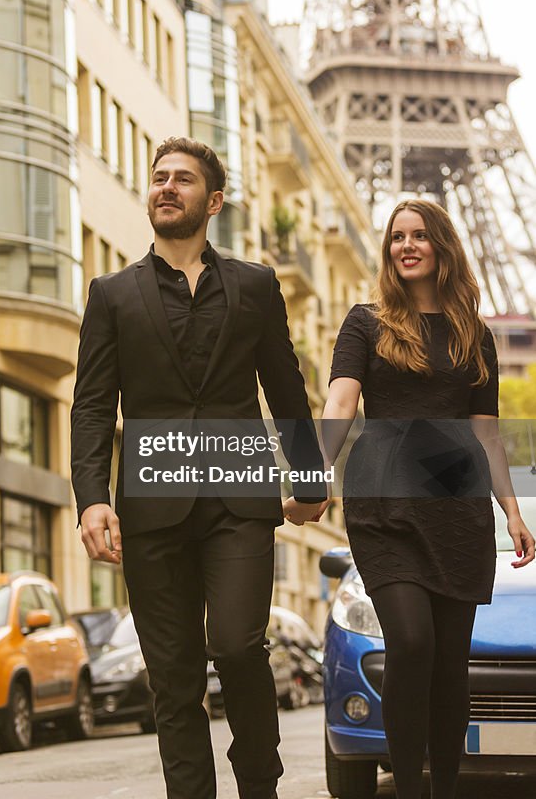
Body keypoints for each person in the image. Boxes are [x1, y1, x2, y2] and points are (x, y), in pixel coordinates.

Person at [70, 137, 327, 799]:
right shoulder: (111, 295)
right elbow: (93, 407)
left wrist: (308, 477)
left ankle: (258, 786)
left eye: (182, 179)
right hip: (152, 504)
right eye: (158, 178)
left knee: (239, 646)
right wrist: (91, 498)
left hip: (238, 496)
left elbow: (285, 388)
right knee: (174, 680)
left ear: (211, 201)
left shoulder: (254, 286)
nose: (165, 187)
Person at [284, 198, 534, 799]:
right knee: (413, 640)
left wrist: (512, 509)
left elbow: (487, 432)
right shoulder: (365, 322)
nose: (407, 245)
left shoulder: (474, 334)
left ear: (442, 245)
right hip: (384, 501)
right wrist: (315, 471)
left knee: (450, 665)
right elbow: (342, 401)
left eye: (420, 235)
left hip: (456, 506)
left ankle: (443, 789)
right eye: (397, 237)